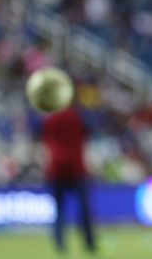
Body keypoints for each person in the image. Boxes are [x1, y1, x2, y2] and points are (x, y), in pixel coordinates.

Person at [41, 104, 97, 254]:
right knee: (84, 209)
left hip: (56, 169)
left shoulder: (50, 118)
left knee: (59, 210)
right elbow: (90, 130)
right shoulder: (77, 116)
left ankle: (60, 247)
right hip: (76, 169)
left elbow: (42, 136)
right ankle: (89, 244)